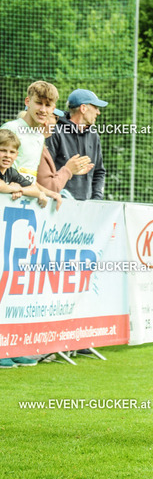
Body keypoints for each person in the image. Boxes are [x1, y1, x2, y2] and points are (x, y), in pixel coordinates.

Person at [0, 129, 49, 369]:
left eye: (12, 152)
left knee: (7, 295)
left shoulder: (11, 172)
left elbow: (35, 190)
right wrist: (11, 188)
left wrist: (18, 188)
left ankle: (8, 347)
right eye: (2, 150)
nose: (7, 155)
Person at [1, 81, 62, 210]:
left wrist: (50, 193)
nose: (43, 110)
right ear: (27, 102)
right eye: (39, 103)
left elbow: (29, 179)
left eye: (48, 105)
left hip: (26, 201)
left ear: (53, 109)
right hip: (6, 200)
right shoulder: (11, 129)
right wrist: (13, 188)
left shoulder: (40, 137)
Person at [46, 88, 107, 200]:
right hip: (58, 203)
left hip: (86, 206)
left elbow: (99, 172)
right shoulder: (54, 132)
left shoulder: (94, 135)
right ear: (83, 108)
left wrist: (96, 200)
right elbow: (46, 172)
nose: (98, 112)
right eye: (96, 107)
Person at [37, 110, 94, 193]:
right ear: (45, 121)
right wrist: (68, 170)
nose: (56, 124)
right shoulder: (35, 147)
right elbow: (49, 187)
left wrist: (72, 170)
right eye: (55, 118)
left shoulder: (38, 144)